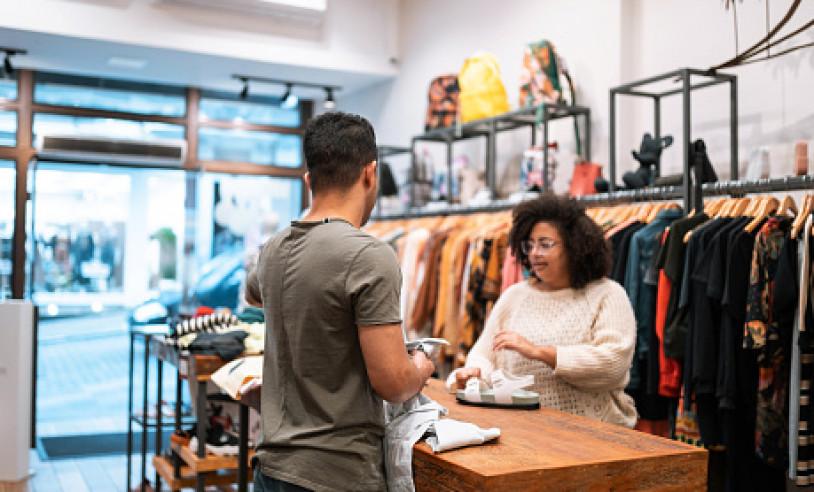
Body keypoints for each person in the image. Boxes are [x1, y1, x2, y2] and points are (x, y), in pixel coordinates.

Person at [246, 112, 435, 492]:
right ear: (370, 174)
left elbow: (254, 292)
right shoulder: (369, 256)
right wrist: (421, 365)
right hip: (335, 475)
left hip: (271, 469)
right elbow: (394, 384)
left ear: (308, 180)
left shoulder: (273, 250)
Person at [455, 194, 638, 427]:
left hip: (595, 437)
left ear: (575, 245)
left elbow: (612, 364)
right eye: (529, 245)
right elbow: (484, 353)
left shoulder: (608, 294)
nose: (534, 253)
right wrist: (475, 373)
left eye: (545, 244)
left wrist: (540, 352)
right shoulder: (515, 296)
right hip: (524, 434)